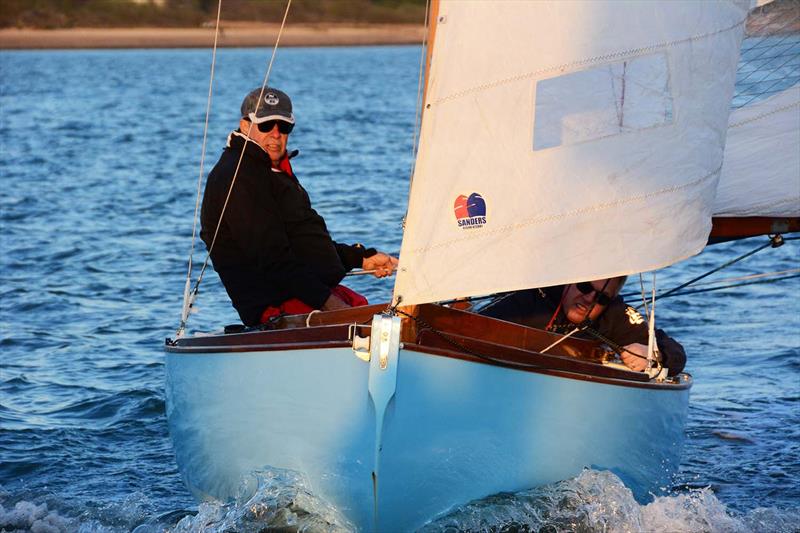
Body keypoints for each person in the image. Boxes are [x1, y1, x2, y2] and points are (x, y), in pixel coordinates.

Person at [200, 87, 398, 327]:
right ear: (245, 126)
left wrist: (361, 259)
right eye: (266, 125)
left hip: (305, 292)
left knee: (384, 313)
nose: (276, 134)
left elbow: (303, 242)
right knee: (373, 322)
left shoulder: (271, 171)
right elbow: (271, 258)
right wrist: (330, 304)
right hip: (275, 306)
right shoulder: (238, 177)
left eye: (283, 127)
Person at [479, 277, 686, 376]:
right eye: (585, 286)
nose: (588, 299)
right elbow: (472, 327)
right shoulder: (530, 298)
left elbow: (676, 353)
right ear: (569, 280)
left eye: (601, 298)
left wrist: (653, 355)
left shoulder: (615, 314)